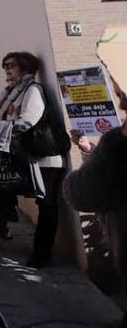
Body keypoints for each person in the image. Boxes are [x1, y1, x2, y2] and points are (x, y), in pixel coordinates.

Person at [0, 51, 66, 268]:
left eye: (12, 65)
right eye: (5, 66)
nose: (7, 69)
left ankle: (41, 253)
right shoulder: (12, 92)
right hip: (21, 155)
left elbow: (27, 122)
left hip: (43, 157)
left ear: (26, 68)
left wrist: (0, 129)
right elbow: (8, 118)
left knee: (46, 204)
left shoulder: (33, 90)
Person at [65, 85, 127, 327]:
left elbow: (85, 190)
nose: (121, 106)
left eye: (123, 97)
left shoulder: (117, 141)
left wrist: (103, 152)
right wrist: (91, 150)